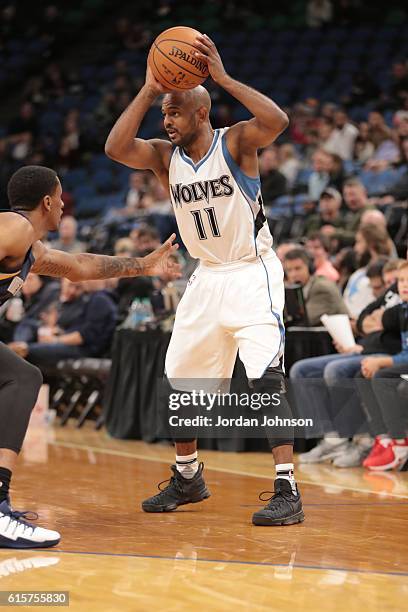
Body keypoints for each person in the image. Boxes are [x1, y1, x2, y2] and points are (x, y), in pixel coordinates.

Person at [105, 33, 304, 526]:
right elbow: (114, 147)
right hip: (206, 277)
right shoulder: (163, 158)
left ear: (200, 112)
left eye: (174, 112)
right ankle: (188, 476)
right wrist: (151, 89)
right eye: (163, 114)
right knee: (181, 382)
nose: (166, 121)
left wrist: (223, 78)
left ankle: (288, 488)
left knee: (264, 379)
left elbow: (278, 121)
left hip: (251, 272)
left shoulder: (234, 141)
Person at [0, 165, 180, 548]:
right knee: (21, 377)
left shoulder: (31, 247)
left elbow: (81, 267)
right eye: (60, 196)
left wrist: (144, 264)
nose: (65, 205)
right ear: (47, 201)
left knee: (23, 377)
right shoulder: (13, 227)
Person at [283, 248, 348, 325]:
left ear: (310, 267)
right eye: (289, 270)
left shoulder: (321, 288)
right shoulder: (300, 288)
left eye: (298, 268)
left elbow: (303, 322)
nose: (293, 274)